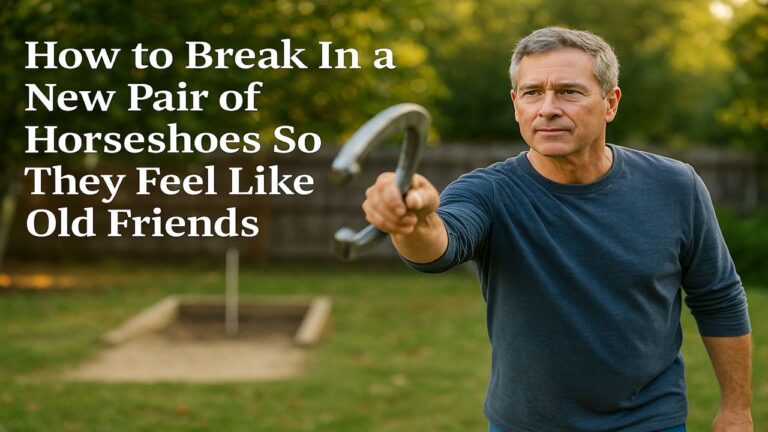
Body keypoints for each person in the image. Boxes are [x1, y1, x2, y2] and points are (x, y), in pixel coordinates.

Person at [362, 27, 752, 432]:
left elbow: (718, 298)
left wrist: (737, 409)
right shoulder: (488, 191)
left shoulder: (675, 186)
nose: (547, 108)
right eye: (532, 93)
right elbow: (440, 247)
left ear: (610, 103)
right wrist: (415, 219)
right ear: (516, 105)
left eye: (569, 91)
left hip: (649, 421)